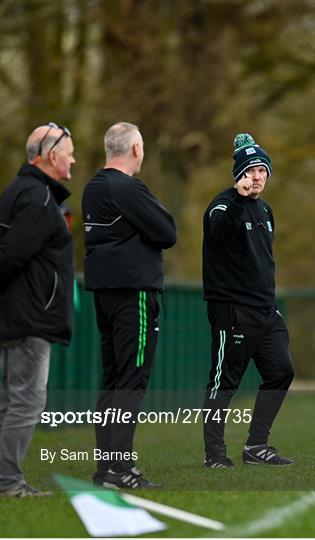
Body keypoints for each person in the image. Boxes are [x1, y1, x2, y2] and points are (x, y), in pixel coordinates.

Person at [82, 122, 177, 489]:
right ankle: (121, 470)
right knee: (132, 380)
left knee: (112, 379)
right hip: (134, 294)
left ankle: (105, 468)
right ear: (136, 148)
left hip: (104, 295)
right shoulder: (128, 188)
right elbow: (168, 232)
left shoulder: (93, 187)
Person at [201, 133, 295, 468]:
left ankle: (257, 446)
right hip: (233, 312)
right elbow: (220, 232)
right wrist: (239, 200)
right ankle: (215, 454)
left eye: (261, 170)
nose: (256, 176)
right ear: (238, 174)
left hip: (266, 312)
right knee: (224, 382)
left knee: (282, 371)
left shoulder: (266, 210)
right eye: (250, 170)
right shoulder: (224, 204)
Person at [0, 122, 75, 497]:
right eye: (69, 152)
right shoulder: (38, 198)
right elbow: (10, 256)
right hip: (29, 319)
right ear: (50, 156)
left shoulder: (23, 192)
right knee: (26, 401)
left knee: (12, 400)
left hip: (21, 316)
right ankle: (9, 482)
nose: (73, 158)